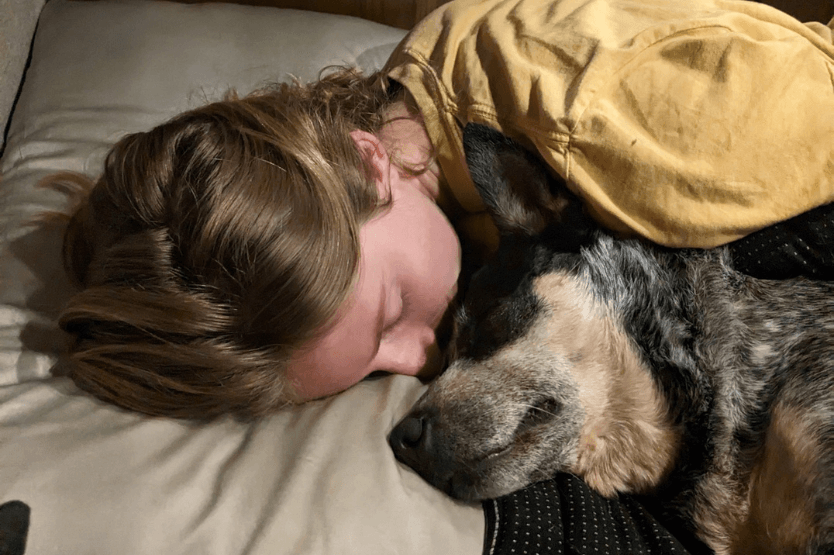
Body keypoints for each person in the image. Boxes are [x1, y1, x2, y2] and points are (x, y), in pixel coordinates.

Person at [50, 0, 834, 420]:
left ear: (367, 158)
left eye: (393, 313)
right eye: (374, 369)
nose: (422, 361)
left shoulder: (616, 135)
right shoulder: (409, 117)